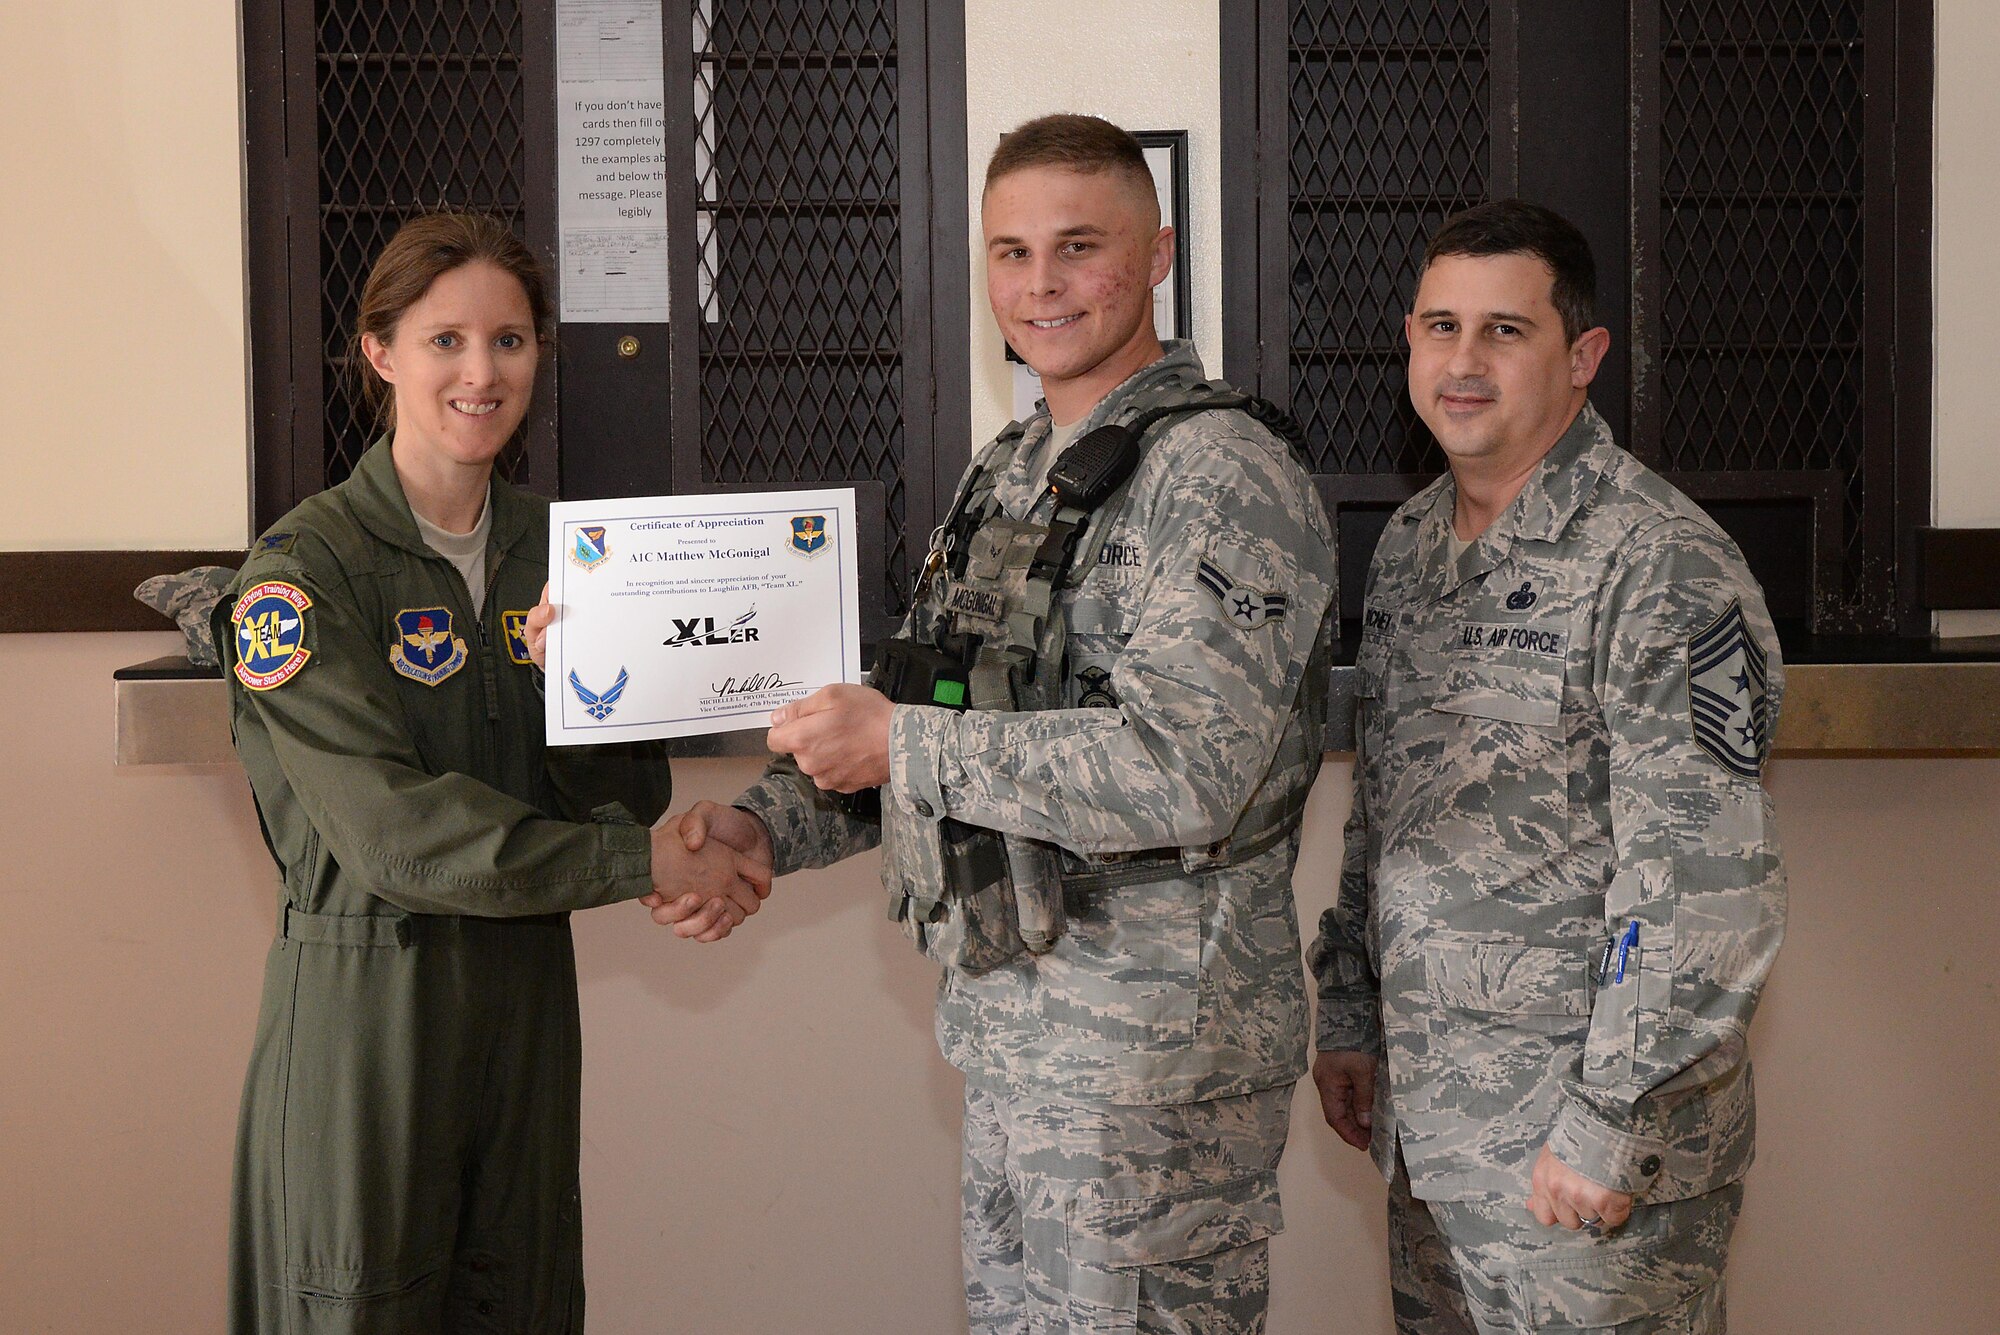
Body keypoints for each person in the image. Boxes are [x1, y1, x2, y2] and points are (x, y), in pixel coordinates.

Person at [610, 114, 1336, 1332]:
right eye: (1008, 253)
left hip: (1150, 1062)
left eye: (1076, 248)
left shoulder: (1217, 476)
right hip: (1015, 1036)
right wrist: (760, 829)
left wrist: (897, 742)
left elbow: (1181, 769)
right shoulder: (1014, 467)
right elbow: (943, 703)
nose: (1038, 286)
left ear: (1156, 256)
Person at [215, 211, 769, 1334]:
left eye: (510, 341)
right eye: (444, 341)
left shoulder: (563, 552)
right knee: (356, 1306)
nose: (481, 372)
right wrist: (637, 859)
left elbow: (622, 795)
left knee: (518, 1304)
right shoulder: (301, 573)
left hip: (523, 1003)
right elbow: (392, 838)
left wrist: (596, 697)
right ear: (379, 352)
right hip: (368, 1011)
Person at [1308, 200, 1786, 1333]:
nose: (1461, 364)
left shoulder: (1658, 563)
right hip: (1433, 1138)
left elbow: (1700, 885)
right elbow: (1388, 813)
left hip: (1578, 1158)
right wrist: (1351, 1015)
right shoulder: (1415, 548)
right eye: (1437, 327)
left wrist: (1606, 1119)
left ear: (1581, 358)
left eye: (1503, 332)